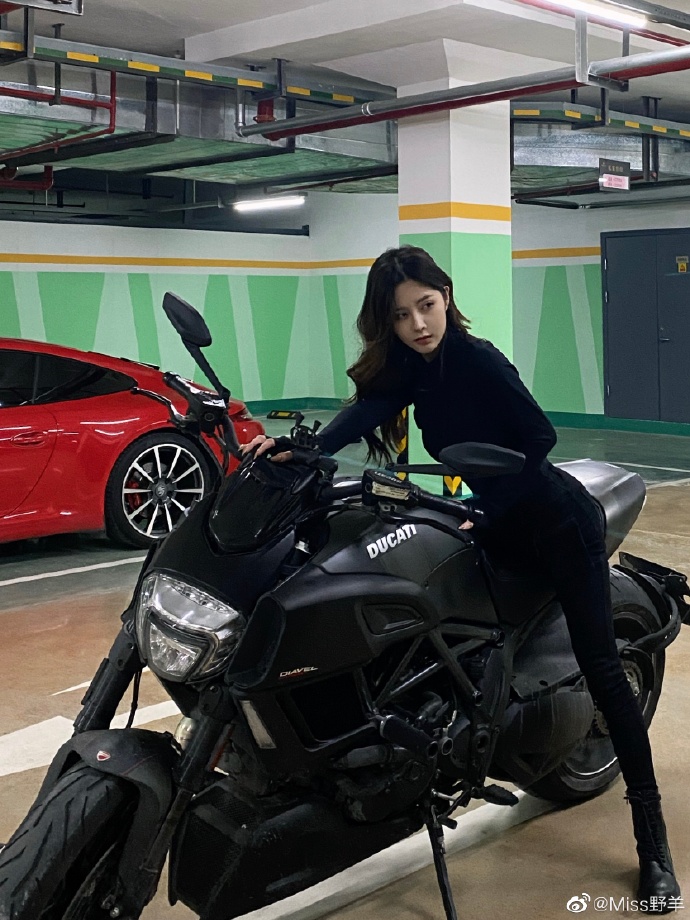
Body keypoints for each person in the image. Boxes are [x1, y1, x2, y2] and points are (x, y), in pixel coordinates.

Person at [244, 245, 680, 912]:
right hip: (494, 518)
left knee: (603, 672)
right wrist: (297, 450)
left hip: (557, 527)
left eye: (426, 305)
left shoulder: (481, 361)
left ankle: (653, 845)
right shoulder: (410, 370)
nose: (418, 323)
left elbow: (537, 440)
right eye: (401, 315)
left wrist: (494, 506)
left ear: (446, 297)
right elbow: (364, 414)